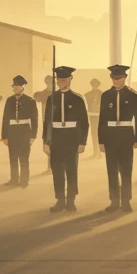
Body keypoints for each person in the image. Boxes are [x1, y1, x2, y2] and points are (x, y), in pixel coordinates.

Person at [42, 65, 88, 213]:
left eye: (65, 78)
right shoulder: (51, 98)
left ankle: (71, 200)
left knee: (71, 170)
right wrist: (46, 142)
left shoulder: (77, 99)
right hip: (56, 138)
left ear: (70, 79)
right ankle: (60, 200)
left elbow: (84, 122)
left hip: (71, 138)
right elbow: (47, 122)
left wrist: (82, 142)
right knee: (57, 170)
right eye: (59, 79)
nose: (62, 81)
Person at [97, 64, 137, 213]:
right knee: (112, 170)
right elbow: (102, 119)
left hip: (126, 135)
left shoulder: (133, 95)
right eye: (114, 78)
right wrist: (101, 140)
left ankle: (126, 201)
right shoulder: (106, 95)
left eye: (120, 78)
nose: (117, 81)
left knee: (126, 170)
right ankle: (114, 201)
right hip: (110, 135)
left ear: (125, 78)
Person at [1, 75, 38, 188]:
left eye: (18, 86)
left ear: (23, 87)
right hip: (12, 131)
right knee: (13, 157)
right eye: (14, 86)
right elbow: (5, 118)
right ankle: (14, 179)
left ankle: (24, 180)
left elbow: (34, 119)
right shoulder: (9, 100)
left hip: (24, 131)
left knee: (24, 157)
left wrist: (33, 136)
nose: (16, 88)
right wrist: (4, 136)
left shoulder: (30, 100)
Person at [86, 78, 103, 158]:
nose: (94, 86)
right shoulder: (87, 95)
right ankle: (95, 152)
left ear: (98, 85)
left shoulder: (103, 94)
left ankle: (99, 153)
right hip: (92, 116)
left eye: (96, 84)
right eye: (93, 84)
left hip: (101, 116)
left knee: (99, 134)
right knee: (94, 134)